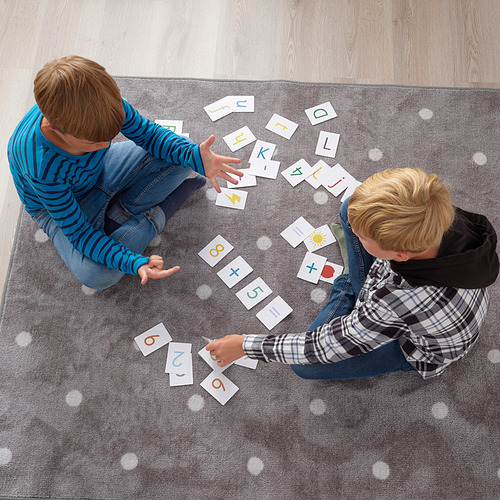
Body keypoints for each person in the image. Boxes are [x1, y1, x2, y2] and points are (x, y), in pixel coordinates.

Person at [207, 168, 499, 380]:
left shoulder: (395, 300)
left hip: (417, 348)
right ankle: (355, 290)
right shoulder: (441, 216)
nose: (354, 236)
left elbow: (323, 347)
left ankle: (347, 289)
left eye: (362, 238)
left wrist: (246, 345)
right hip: (430, 298)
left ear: (400, 254)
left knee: (304, 366)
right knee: (351, 209)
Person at [8, 55, 242, 291]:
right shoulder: (39, 164)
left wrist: (197, 157)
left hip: (102, 171)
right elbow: (79, 234)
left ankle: (115, 219)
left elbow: (149, 135)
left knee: (183, 150)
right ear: (53, 128)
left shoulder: (104, 103)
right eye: (95, 142)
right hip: (57, 208)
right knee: (98, 274)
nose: (106, 144)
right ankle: (154, 214)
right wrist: (133, 262)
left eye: (109, 137)